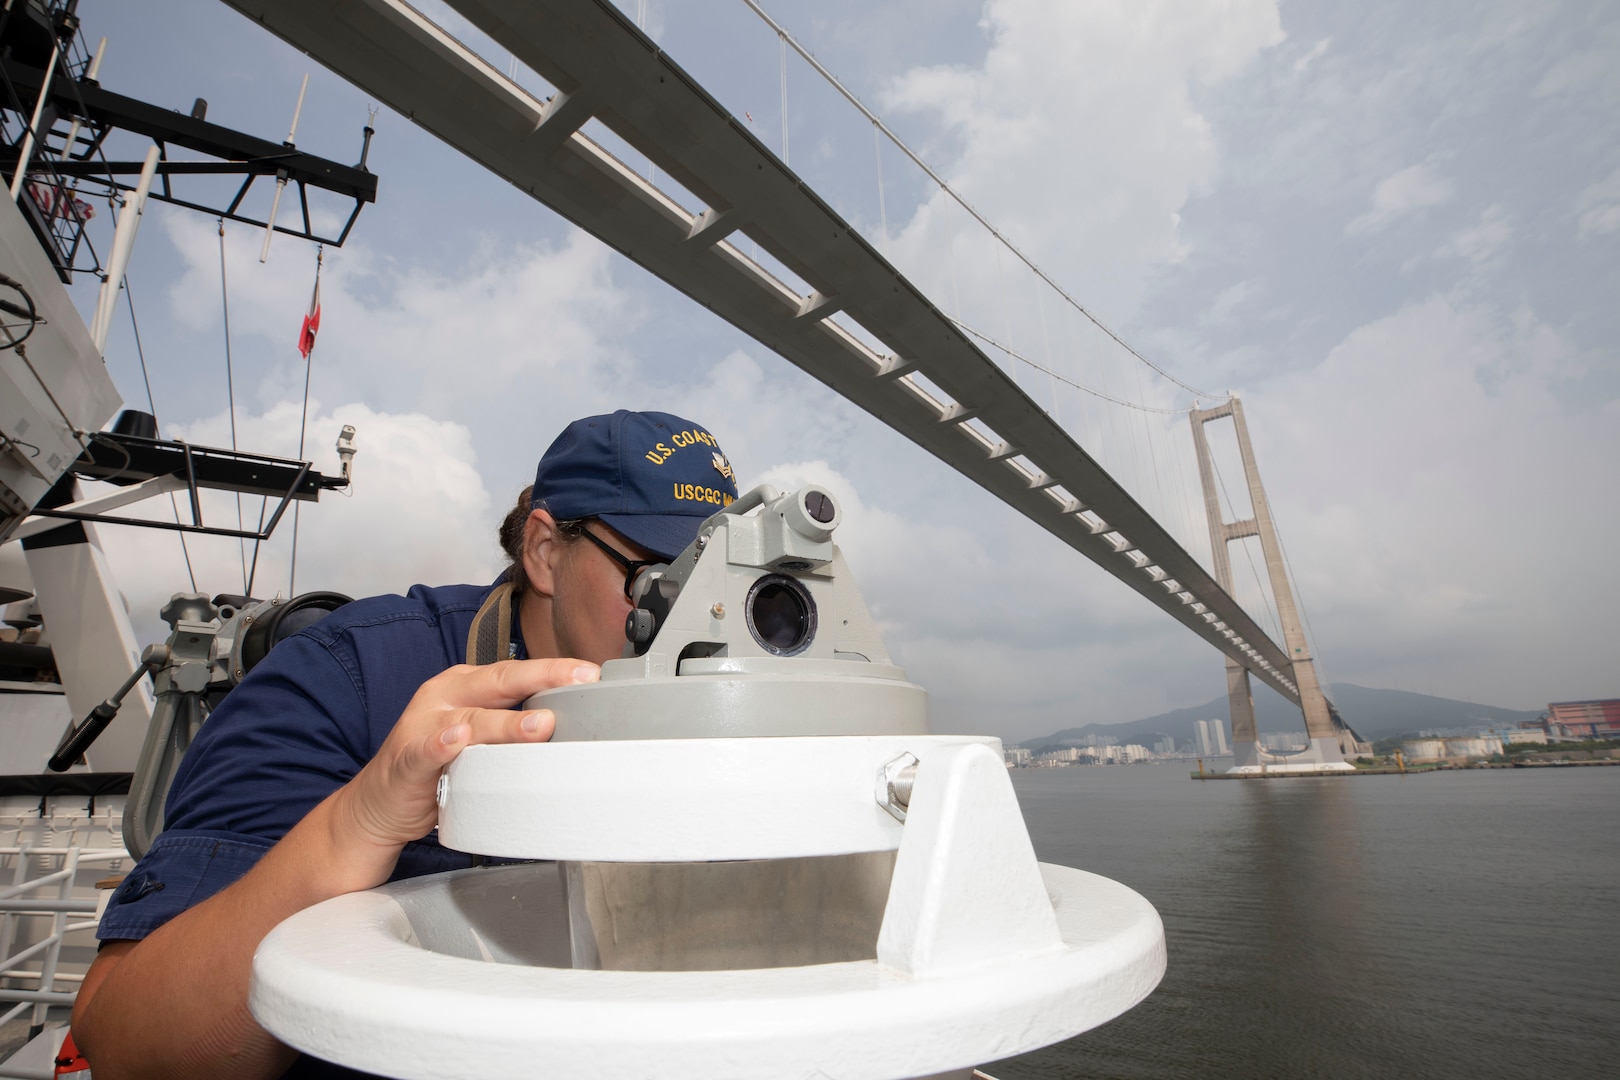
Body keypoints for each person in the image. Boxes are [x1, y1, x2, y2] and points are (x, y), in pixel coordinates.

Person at [71, 410, 739, 1079]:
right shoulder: (348, 680)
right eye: (661, 578)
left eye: (724, 584)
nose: (702, 618)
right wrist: (356, 825)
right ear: (544, 552)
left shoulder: (737, 704)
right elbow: (129, 1047)